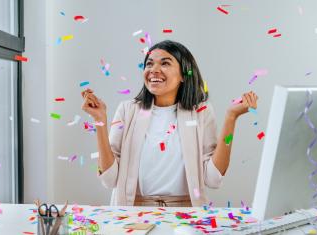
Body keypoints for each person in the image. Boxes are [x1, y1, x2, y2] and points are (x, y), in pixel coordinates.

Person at [81, 40, 258, 207]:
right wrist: (99, 120)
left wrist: (231, 118)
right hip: (134, 212)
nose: (154, 70)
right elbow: (109, 179)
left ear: (183, 74)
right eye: (149, 64)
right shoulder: (127, 110)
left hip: (186, 212)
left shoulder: (201, 112)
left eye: (165, 63)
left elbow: (213, 178)